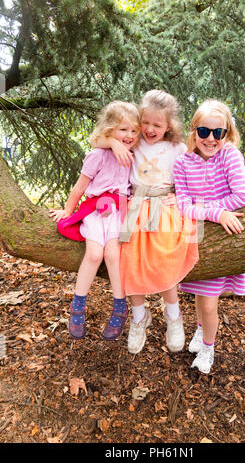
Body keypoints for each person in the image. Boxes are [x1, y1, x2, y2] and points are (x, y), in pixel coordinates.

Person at [92, 90, 199, 355]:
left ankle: (173, 316)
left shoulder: (178, 148)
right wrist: (113, 143)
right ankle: (139, 317)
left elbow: (193, 178)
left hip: (164, 209)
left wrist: (180, 196)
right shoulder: (133, 142)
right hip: (134, 208)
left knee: (164, 260)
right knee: (128, 263)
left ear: (169, 125)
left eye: (157, 124)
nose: (150, 129)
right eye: (146, 123)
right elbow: (97, 138)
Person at [173, 98, 245, 374]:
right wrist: (216, 213)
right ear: (194, 131)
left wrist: (208, 211)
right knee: (197, 293)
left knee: (208, 303)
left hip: (220, 242)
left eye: (217, 133)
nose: (210, 138)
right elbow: (183, 206)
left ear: (227, 134)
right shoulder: (182, 163)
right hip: (196, 237)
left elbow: (244, 195)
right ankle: (199, 331)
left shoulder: (230, 155)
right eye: (203, 131)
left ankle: (208, 347)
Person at [49, 101, 140, 341]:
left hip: (120, 210)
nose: (129, 136)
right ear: (110, 130)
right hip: (96, 210)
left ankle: (120, 307)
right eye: (123, 130)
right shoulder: (97, 155)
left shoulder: (135, 154)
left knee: (113, 255)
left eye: (133, 130)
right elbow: (80, 186)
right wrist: (67, 210)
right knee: (93, 255)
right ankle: (78, 305)